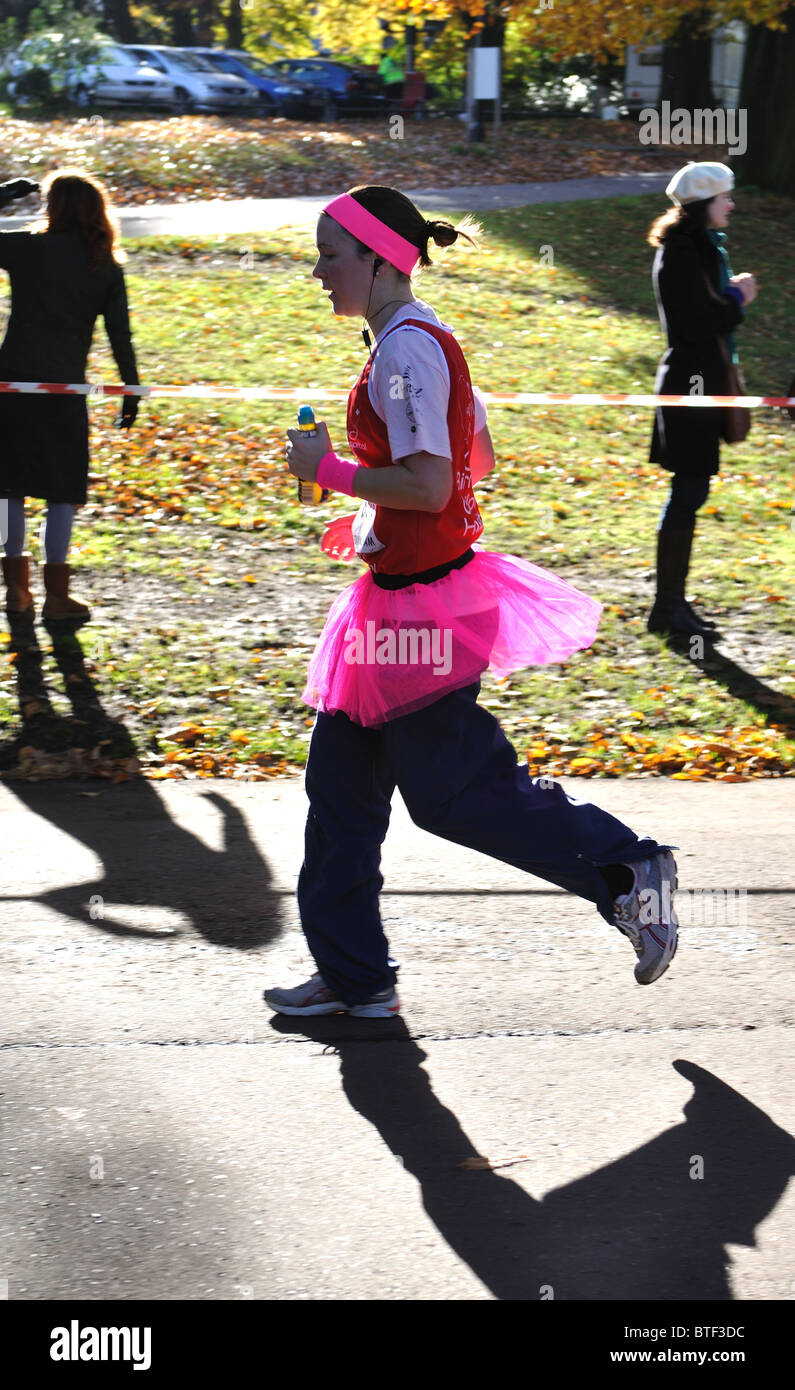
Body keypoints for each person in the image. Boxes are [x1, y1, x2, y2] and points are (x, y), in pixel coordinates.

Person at [265, 184, 679, 1020]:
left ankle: (623, 867)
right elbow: (471, 463)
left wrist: (329, 474)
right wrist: (373, 519)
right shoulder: (418, 340)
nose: (317, 272)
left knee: (454, 798)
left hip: (422, 615)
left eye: (330, 254)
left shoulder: (404, 352)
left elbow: (428, 480)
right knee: (340, 792)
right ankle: (355, 979)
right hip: (397, 600)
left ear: (382, 259)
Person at [0, 169, 139, 625]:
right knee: (61, 491)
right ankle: (57, 597)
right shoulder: (103, 265)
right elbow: (120, 334)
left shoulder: (27, 250)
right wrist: (129, 390)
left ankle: (15, 592)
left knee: (8, 490)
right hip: (64, 390)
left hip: (12, 385)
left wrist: (3, 196)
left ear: (52, 207)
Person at [647, 161, 758, 638]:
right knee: (687, 492)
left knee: (692, 492)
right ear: (702, 204)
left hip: (703, 383)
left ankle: (673, 604)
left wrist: (730, 296)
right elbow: (694, 325)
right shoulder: (681, 253)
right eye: (724, 198)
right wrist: (737, 299)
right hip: (689, 385)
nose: (731, 205)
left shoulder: (700, 248)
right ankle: (667, 608)